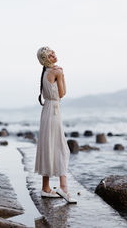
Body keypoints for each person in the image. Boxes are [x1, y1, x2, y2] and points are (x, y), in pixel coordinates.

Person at [34, 46, 77, 204]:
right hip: (54, 111)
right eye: (51, 55)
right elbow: (62, 93)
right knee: (60, 148)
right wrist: (62, 75)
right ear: (46, 59)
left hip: (47, 111)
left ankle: (46, 188)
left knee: (49, 146)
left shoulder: (45, 72)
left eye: (54, 53)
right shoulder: (56, 72)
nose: (54, 55)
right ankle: (63, 188)